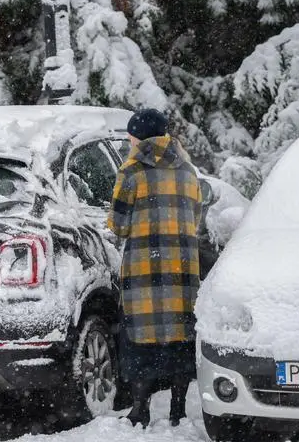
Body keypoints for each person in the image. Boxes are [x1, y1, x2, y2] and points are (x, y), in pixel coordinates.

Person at [107, 108, 203, 428]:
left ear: (139, 136)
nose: (130, 140)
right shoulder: (188, 170)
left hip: (145, 269)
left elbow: (118, 225)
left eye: (132, 135)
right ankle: (178, 408)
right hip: (182, 266)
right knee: (180, 335)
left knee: (140, 338)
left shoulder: (132, 170)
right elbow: (196, 218)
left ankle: (140, 408)